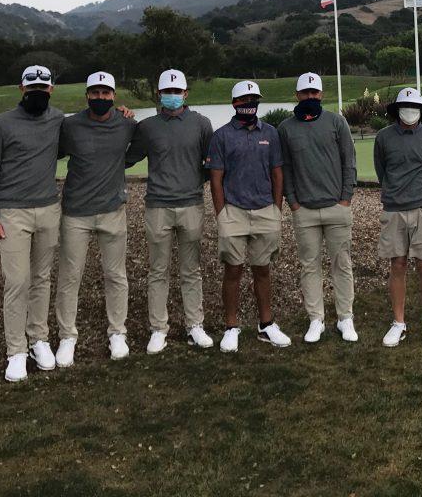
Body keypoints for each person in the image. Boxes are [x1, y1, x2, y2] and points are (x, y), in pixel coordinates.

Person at [0, 65, 64, 382]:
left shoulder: (57, 120)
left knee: (42, 279)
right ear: (21, 89)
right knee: (18, 282)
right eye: (32, 88)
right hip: (12, 213)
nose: (38, 93)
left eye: (43, 87)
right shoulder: (2, 123)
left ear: (51, 90)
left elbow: (83, 137)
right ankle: (15, 350)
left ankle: (38, 339)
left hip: (48, 209)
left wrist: (122, 115)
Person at [126, 69, 214, 354]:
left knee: (191, 269)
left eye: (177, 92)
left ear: (186, 94)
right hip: (158, 207)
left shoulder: (201, 124)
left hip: (191, 204)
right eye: (168, 92)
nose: (173, 96)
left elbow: (210, 162)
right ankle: (158, 328)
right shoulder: (148, 127)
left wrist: (195, 183)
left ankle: (195, 325)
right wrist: (119, 122)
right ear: (159, 95)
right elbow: (127, 157)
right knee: (158, 270)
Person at [55, 72, 137, 367]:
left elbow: (135, 151)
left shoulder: (127, 123)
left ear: (114, 96)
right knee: (69, 277)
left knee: (116, 275)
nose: (100, 98)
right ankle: (67, 336)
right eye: (95, 93)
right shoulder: (71, 125)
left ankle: (117, 332)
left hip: (113, 210)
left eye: (106, 94)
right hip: (76, 212)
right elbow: (56, 152)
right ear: (87, 95)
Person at [207, 81, 292, 353]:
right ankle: (231, 326)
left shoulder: (271, 132)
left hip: (266, 210)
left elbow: (277, 173)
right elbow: (216, 179)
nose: (249, 103)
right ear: (234, 103)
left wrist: (277, 208)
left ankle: (266, 324)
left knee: (262, 269)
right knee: (233, 270)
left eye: (253, 99)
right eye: (244, 99)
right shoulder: (221, 136)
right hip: (233, 211)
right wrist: (221, 213)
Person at [277, 72, 358, 344]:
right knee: (309, 266)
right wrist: (293, 201)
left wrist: (346, 197)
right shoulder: (286, 128)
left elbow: (349, 161)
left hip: (337, 206)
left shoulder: (337, 122)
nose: (310, 97)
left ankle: (345, 318)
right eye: (305, 93)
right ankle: (316, 319)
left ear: (321, 94)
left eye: (315, 93)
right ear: (297, 95)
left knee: (342, 264)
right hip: (305, 211)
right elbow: (285, 167)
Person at [373, 88, 422, 349]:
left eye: (413, 106)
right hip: (393, 209)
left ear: (421, 110)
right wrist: (396, 192)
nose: (409, 110)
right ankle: (399, 323)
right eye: (405, 106)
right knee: (398, 265)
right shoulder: (383, 137)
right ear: (397, 110)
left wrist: (419, 191)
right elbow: (382, 172)